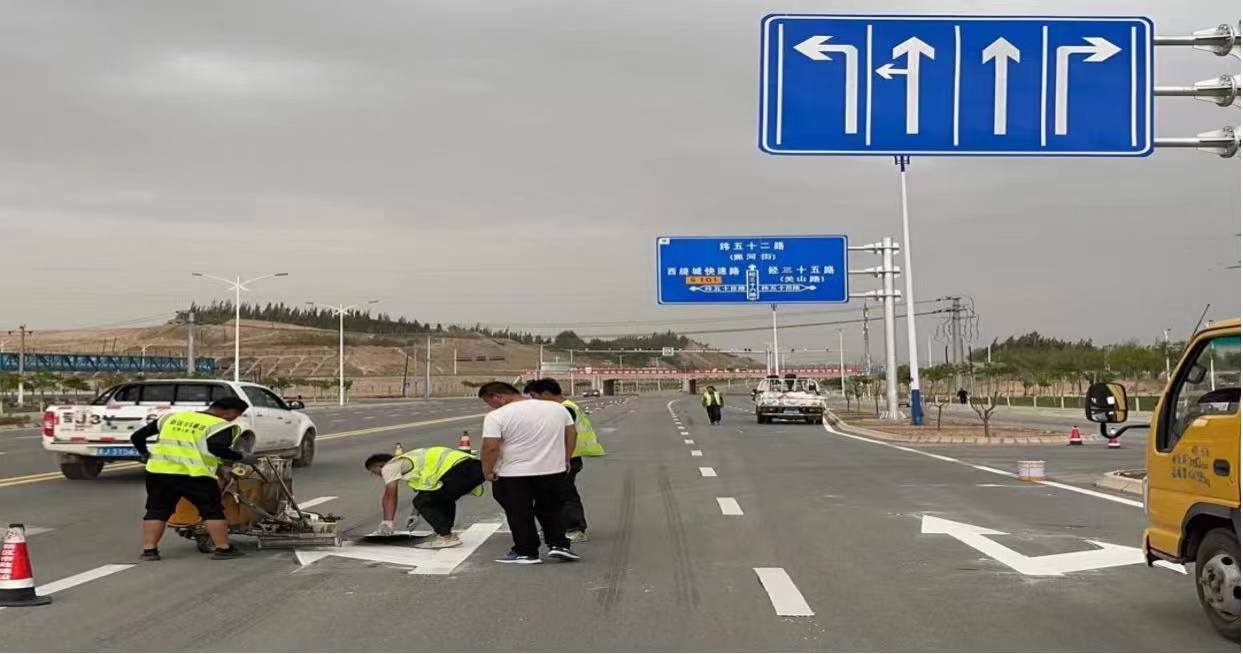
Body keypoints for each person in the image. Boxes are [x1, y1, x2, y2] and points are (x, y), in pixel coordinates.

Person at [129, 397, 255, 561]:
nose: (234, 419)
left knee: (157, 510)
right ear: (231, 411)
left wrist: (144, 454)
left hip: (158, 471)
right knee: (212, 511)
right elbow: (217, 449)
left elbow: (137, 436)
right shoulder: (220, 426)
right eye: (236, 415)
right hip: (195, 474)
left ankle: (149, 551)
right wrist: (241, 456)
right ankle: (223, 548)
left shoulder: (171, 418)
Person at [477, 381, 579, 564]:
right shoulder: (557, 409)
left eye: (488, 402)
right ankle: (559, 545)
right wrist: (566, 458)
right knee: (552, 510)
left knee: (519, 512)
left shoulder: (497, 416)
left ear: (497, 397)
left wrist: (487, 470)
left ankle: (526, 551)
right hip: (553, 470)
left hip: (513, 474)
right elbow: (571, 434)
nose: (490, 406)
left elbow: (490, 448)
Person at [523, 378, 605, 542]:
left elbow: (561, 434)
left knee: (565, 494)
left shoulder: (565, 409)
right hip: (562, 456)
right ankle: (556, 527)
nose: (534, 401)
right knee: (553, 494)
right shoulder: (563, 407)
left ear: (546, 393)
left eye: (534, 396)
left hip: (567, 457)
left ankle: (575, 528)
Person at [363, 447, 484, 549]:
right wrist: (415, 514)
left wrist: (387, 522)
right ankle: (445, 534)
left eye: (373, 471)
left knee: (424, 501)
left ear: (380, 466)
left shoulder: (390, 467)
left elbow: (390, 495)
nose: (375, 474)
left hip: (461, 470)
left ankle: (446, 537)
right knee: (441, 498)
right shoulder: (409, 462)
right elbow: (426, 491)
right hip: (475, 468)